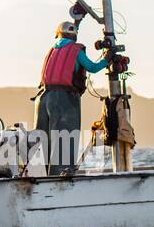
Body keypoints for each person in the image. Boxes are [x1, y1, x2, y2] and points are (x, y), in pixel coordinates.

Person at [34, 20, 109, 175]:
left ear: (58, 34)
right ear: (74, 36)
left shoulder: (52, 50)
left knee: (43, 140)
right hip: (64, 99)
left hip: (43, 98)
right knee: (64, 140)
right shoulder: (76, 50)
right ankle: (60, 177)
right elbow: (92, 68)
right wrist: (107, 60)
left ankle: (39, 175)